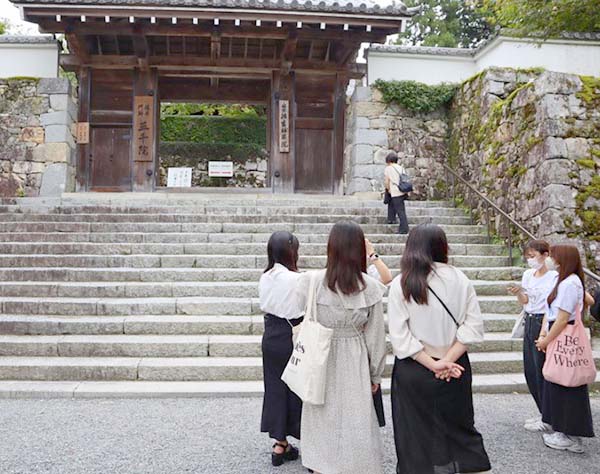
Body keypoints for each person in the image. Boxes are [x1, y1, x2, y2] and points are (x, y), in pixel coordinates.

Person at [388, 224, 491, 474]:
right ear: (442, 246)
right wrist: (447, 360)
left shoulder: (402, 283)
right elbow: (473, 326)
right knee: (457, 425)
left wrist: (434, 363)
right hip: (455, 365)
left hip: (415, 368)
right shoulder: (460, 278)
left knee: (415, 431)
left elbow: (400, 336)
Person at [294, 221, 387, 474]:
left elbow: (300, 310)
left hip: (319, 355)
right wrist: (375, 373)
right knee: (356, 417)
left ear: (330, 248)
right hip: (355, 355)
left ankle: (322, 466)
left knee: (321, 415)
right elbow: (376, 337)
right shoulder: (370, 288)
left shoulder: (310, 281)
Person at [535, 244, 595, 453]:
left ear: (563, 259)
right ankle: (562, 430)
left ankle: (571, 435)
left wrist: (545, 340)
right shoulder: (567, 280)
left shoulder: (569, 283)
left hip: (563, 335)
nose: (550, 260)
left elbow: (561, 319)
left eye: (553, 256)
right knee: (560, 380)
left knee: (566, 382)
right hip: (560, 334)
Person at [259, 231, 304, 467]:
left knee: (275, 387)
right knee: (298, 386)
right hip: (292, 334)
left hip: (271, 334)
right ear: (291, 252)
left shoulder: (265, 276)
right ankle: (306, 435)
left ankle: (279, 443)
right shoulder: (296, 279)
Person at [507, 240, 558, 432]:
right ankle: (544, 412)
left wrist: (544, 331)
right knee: (530, 370)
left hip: (542, 322)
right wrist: (519, 292)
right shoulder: (528, 274)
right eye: (528, 257)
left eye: (533, 256)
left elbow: (550, 305)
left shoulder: (553, 277)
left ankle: (549, 416)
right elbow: (525, 300)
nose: (530, 260)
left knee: (541, 369)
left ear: (545, 255)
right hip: (529, 320)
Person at [383, 151, 410, 234]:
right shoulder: (401, 168)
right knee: (393, 204)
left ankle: (404, 228)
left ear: (388, 160)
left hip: (395, 191)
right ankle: (391, 219)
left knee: (400, 211)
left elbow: (387, 181)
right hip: (402, 190)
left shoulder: (388, 168)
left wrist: (388, 189)